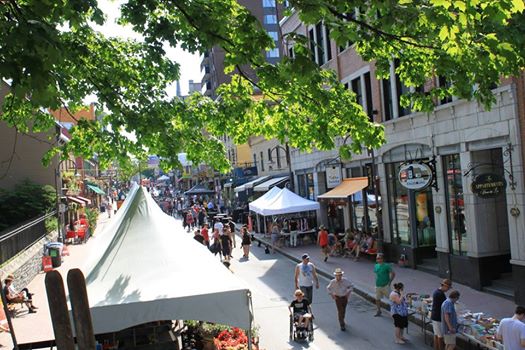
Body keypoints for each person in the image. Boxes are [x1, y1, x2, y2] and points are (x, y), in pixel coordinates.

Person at [431, 279, 453, 350]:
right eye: (448, 288)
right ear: (444, 286)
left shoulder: (437, 292)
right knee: (440, 336)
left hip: (435, 316)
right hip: (438, 317)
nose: (448, 290)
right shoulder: (440, 294)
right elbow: (444, 307)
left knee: (436, 335)